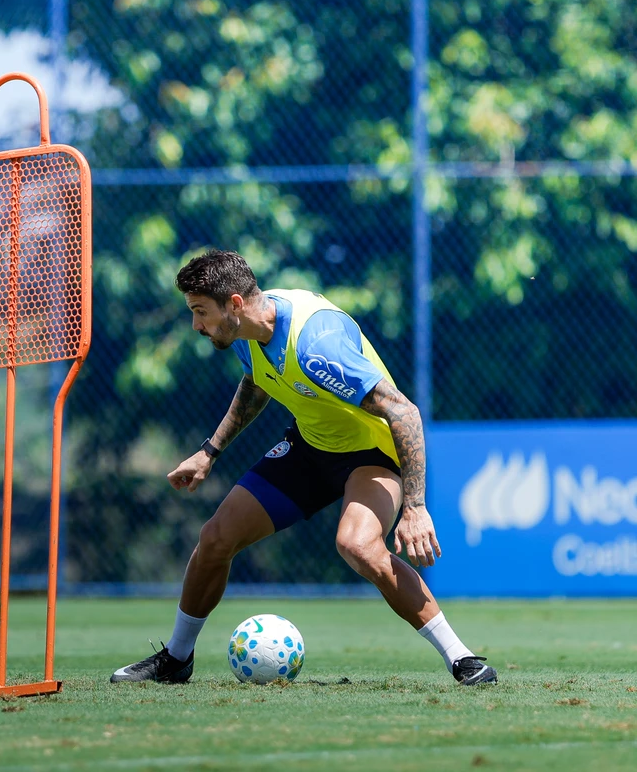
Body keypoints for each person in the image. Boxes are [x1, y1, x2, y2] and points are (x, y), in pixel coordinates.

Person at [109, 250, 497, 687]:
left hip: (371, 454)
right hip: (310, 446)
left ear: (234, 304)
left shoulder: (317, 346)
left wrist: (416, 507)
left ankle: (462, 658)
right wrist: (210, 451)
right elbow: (257, 381)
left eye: (200, 312)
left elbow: (404, 413)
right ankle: (177, 659)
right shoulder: (243, 333)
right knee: (215, 538)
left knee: (358, 545)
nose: (196, 325)